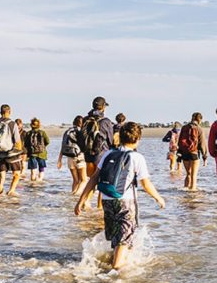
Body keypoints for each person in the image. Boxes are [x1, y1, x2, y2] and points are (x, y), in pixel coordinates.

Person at [74, 122, 165, 270]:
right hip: (125, 202)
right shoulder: (137, 157)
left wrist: (81, 201)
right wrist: (159, 198)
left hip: (107, 200)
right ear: (137, 139)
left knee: (117, 239)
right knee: (123, 240)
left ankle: (111, 263)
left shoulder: (108, 154)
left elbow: (94, 178)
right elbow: (146, 184)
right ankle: (117, 271)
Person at [78, 97, 115, 209]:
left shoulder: (85, 119)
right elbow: (110, 140)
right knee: (102, 183)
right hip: (101, 155)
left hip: (88, 155)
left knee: (91, 181)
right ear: (103, 107)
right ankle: (99, 208)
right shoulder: (106, 121)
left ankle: (86, 201)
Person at [0, 105, 25, 196]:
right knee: (16, 173)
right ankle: (11, 191)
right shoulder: (12, 123)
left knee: (2, 175)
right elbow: (17, 140)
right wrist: (20, 151)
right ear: (9, 112)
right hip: (11, 152)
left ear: (0, 112)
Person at [57, 115, 87, 195]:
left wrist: (59, 160)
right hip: (79, 157)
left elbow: (63, 146)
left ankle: (72, 196)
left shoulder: (67, 131)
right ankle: (75, 195)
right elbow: (83, 146)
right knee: (84, 180)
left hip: (69, 158)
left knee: (76, 180)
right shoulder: (80, 131)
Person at [177, 113, 207, 191]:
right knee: (194, 175)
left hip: (184, 153)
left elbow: (179, 141)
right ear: (200, 120)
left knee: (188, 174)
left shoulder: (184, 127)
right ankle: (193, 193)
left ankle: (185, 190)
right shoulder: (199, 129)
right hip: (194, 153)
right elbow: (202, 143)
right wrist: (204, 156)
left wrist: (179, 153)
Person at [24, 118, 50, 182]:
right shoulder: (42, 133)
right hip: (42, 153)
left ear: (31, 125)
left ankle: (33, 184)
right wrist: (43, 147)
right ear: (39, 125)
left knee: (33, 170)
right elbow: (48, 141)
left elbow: (25, 144)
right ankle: (40, 182)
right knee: (41, 168)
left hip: (32, 154)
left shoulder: (28, 133)